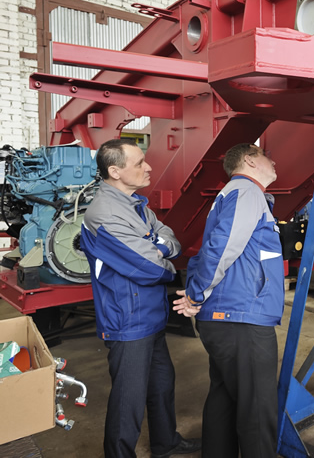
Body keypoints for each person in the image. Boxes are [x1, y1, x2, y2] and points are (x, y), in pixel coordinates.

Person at [81, 139, 200, 458]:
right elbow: (151, 268)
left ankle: (165, 443)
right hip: (127, 320)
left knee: (162, 384)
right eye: (139, 163)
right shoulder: (104, 214)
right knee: (128, 400)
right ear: (115, 171)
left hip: (150, 315)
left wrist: (157, 245)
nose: (148, 168)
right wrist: (159, 253)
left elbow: (173, 240)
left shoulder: (137, 206)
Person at [173, 143, 284, 458]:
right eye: (266, 155)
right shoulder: (247, 191)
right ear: (249, 160)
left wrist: (197, 294)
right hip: (242, 317)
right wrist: (195, 294)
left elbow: (206, 250)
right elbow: (221, 248)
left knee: (224, 399)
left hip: (228, 317)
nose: (273, 161)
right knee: (257, 409)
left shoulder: (233, 194)